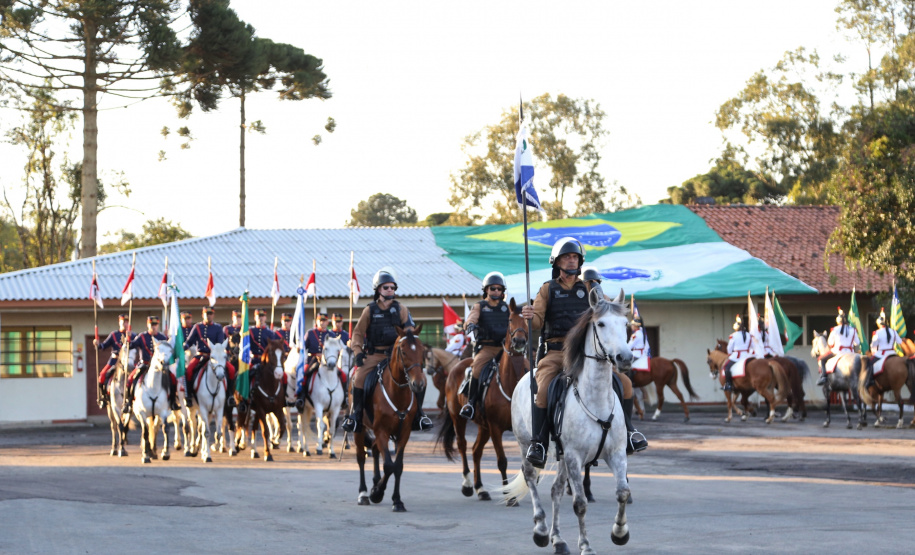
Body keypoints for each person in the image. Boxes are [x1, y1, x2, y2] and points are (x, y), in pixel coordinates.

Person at [520, 238, 647, 468]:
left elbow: (608, 310)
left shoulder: (589, 287)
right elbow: (538, 320)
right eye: (567, 257)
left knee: (626, 385)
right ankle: (538, 442)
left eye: (575, 257)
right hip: (557, 351)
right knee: (545, 388)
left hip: (586, 352)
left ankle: (629, 432)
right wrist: (530, 314)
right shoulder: (547, 289)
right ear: (557, 262)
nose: (572, 260)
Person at [342, 267, 433, 433]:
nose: (390, 290)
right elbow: (357, 333)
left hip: (397, 355)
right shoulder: (369, 310)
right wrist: (358, 353)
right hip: (374, 355)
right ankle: (355, 416)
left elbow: (410, 331)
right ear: (378, 289)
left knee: (421, 379)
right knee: (358, 378)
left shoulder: (401, 309)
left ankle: (419, 414)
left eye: (392, 287)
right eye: (386, 287)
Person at [459, 272, 509, 419]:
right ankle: (471, 404)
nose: (496, 291)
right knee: (477, 369)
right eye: (493, 288)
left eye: (499, 289)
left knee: (525, 366)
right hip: (487, 349)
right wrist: (471, 324)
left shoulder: (507, 307)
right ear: (486, 290)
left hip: (505, 349)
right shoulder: (479, 306)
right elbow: (471, 318)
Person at [123, 316, 175, 413]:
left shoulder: (162, 337)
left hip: (159, 366)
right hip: (145, 364)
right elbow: (131, 346)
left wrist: (169, 337)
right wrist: (128, 339)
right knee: (131, 379)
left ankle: (172, 402)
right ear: (148, 325)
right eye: (151, 325)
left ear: (158, 325)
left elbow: (169, 350)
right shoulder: (142, 337)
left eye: (155, 325)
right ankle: (128, 402)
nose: (153, 327)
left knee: (172, 379)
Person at [183, 307, 233, 407]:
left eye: (210, 314)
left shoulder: (218, 328)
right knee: (188, 371)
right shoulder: (197, 327)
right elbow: (189, 341)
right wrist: (184, 347)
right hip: (200, 356)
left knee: (231, 369)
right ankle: (188, 396)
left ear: (213, 315)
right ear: (203, 315)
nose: (208, 316)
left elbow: (219, 344)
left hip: (214, 357)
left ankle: (230, 395)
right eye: (206, 314)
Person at [93, 314, 135, 407]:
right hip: (115, 361)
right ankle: (103, 397)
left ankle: (134, 397)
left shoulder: (133, 335)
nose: (125, 324)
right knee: (102, 376)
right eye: (123, 322)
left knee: (136, 377)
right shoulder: (114, 335)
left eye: (127, 322)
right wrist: (97, 344)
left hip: (128, 361)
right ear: (119, 322)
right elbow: (103, 346)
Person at [246, 309, 281, 403]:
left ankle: (282, 397)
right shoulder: (250, 331)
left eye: (262, 316)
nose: (260, 318)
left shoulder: (270, 333)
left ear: (265, 317)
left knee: (280, 376)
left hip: (266, 362)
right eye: (258, 316)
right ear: (255, 317)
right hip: (254, 360)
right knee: (246, 374)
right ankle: (246, 396)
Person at [817, 308, 859, 385]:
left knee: (822, 359)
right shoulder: (853, 330)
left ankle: (824, 377)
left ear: (838, 321)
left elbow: (830, 343)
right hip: (851, 353)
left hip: (838, 352)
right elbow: (857, 343)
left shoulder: (835, 329)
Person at [866, 308, 902, 388]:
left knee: (869, 364)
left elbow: (873, 345)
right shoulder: (893, 331)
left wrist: (873, 351)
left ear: (879, 324)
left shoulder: (877, 332)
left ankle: (870, 380)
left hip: (881, 354)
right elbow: (900, 342)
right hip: (893, 353)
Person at [723, 315, 752, 391]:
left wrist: (729, 354)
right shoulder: (749, 335)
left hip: (737, 356)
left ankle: (729, 384)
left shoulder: (733, 335)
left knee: (726, 367)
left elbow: (729, 347)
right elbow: (752, 346)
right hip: (747, 355)